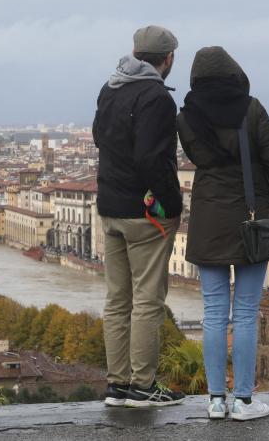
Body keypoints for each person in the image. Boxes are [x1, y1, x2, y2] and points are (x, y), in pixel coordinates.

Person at [178, 46, 269, 420]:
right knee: (246, 312)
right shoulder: (251, 108)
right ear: (234, 73)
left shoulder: (186, 116)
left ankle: (215, 400)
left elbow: (199, 159)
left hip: (208, 218)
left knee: (213, 312)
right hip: (252, 218)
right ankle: (244, 400)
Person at [93, 25, 185, 407]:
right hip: (143, 214)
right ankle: (143, 386)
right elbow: (152, 159)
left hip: (110, 209)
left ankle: (117, 385)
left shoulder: (109, 89)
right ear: (167, 60)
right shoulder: (157, 97)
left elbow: (100, 138)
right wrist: (172, 204)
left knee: (116, 300)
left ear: (134, 52)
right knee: (148, 300)